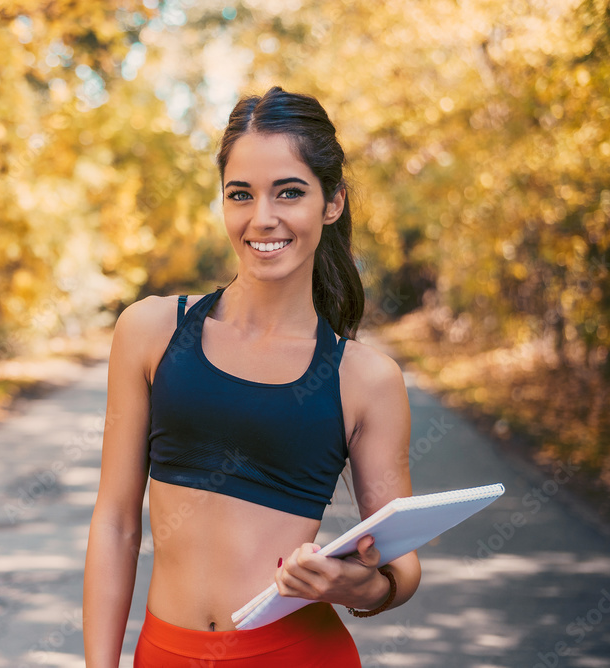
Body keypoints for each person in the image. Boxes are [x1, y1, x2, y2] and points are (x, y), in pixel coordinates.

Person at [82, 86, 421, 666]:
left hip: (298, 652)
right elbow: (115, 524)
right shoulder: (150, 332)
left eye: (289, 192)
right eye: (241, 194)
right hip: (166, 651)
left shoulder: (365, 379)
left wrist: (349, 587)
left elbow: (400, 571)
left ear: (331, 202)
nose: (262, 218)